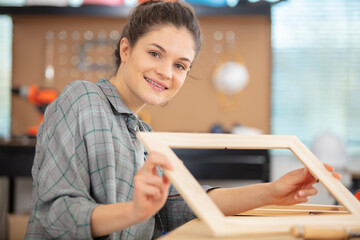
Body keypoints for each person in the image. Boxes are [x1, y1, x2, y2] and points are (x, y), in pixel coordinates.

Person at [25, 1, 341, 239]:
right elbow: (58, 213)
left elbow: (178, 204)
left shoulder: (143, 134)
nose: (166, 72)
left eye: (180, 65)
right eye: (155, 54)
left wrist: (271, 192)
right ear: (125, 49)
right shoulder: (82, 99)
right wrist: (134, 211)